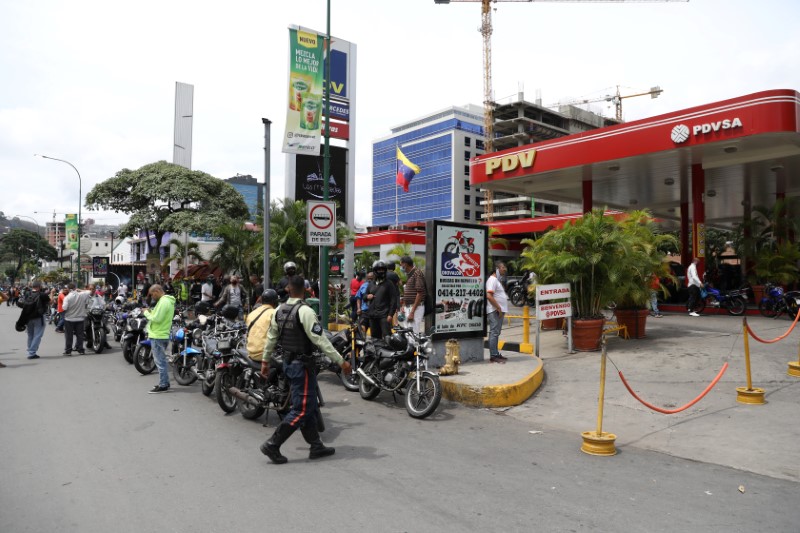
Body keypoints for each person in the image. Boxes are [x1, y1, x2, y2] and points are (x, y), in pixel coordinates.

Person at [259, 275, 352, 464]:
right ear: (306, 290)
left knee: (308, 406)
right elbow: (320, 340)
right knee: (302, 409)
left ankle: (316, 445)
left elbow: (271, 338)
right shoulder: (306, 311)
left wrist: (265, 361)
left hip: (288, 364)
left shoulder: (279, 310)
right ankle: (273, 444)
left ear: (288, 289)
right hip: (302, 366)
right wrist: (341, 361)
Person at [144, 284, 176, 393]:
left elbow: (157, 319)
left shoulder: (164, 302)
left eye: (152, 294)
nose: (152, 297)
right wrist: (150, 312)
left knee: (160, 362)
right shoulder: (165, 301)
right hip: (162, 333)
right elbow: (158, 315)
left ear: (157, 291)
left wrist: (146, 313)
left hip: (158, 335)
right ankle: (165, 382)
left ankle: (163, 385)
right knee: (161, 360)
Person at [364, 261, 398, 340]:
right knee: (375, 338)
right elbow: (364, 297)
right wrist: (367, 296)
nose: (381, 271)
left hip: (384, 315)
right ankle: (377, 352)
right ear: (375, 271)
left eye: (383, 270)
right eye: (379, 270)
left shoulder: (389, 284)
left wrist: (390, 314)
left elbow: (393, 300)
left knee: (387, 337)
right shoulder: (371, 284)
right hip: (372, 315)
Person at [17, 281, 50, 360]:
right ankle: (32, 352)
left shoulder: (27, 293)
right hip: (38, 317)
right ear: (39, 286)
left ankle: (30, 351)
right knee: (38, 335)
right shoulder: (42, 294)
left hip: (28, 318)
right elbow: (50, 302)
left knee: (30, 335)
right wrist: (51, 293)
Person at [246, 289, 279, 363]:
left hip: (251, 353)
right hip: (265, 355)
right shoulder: (274, 313)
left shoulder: (251, 314)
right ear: (275, 301)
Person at [486, 260, 509, 364]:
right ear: (497, 269)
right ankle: (493, 356)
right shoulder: (492, 280)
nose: (505, 269)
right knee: (494, 333)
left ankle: (495, 353)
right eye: (503, 267)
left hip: (497, 310)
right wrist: (498, 308)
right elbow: (489, 296)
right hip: (494, 311)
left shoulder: (496, 280)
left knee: (496, 333)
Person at [61, 282, 90, 356]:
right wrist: (79, 290)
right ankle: (80, 349)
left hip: (69, 319)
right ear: (75, 288)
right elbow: (89, 291)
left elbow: (64, 308)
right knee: (80, 335)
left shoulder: (67, 298)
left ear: (68, 289)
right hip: (80, 318)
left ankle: (68, 351)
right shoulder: (81, 295)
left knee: (69, 335)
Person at [400, 256, 427, 334]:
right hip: (409, 307)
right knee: (407, 332)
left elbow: (420, 293)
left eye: (401, 265)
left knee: (413, 332)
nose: (401, 267)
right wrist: (404, 306)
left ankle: (415, 346)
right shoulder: (410, 274)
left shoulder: (417, 273)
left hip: (416, 308)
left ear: (405, 264)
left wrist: (412, 312)